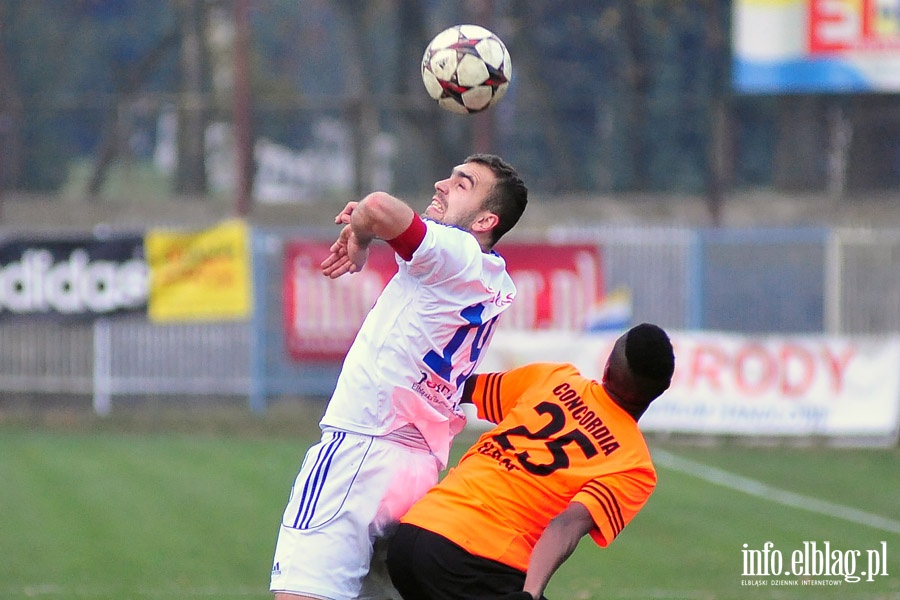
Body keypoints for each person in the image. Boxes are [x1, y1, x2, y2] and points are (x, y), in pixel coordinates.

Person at [270, 154, 528, 600]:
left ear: (487, 219)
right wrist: (370, 226)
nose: (441, 183)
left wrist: (364, 232)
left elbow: (377, 206)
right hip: (416, 470)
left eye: (462, 184)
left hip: (362, 451)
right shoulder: (495, 276)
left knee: (301, 591)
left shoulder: (455, 253)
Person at [387, 323, 676, 600]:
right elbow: (566, 525)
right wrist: (530, 594)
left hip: (412, 534)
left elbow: (459, 389)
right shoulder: (633, 464)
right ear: (661, 391)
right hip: (471, 560)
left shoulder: (553, 377)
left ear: (607, 368)